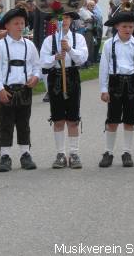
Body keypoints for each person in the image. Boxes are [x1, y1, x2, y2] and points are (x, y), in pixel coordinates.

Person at [0, 7, 41, 172]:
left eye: (22, 23)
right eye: (16, 23)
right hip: (7, 90)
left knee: (23, 122)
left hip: (24, 89)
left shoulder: (29, 45)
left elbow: (36, 66)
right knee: (6, 123)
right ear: (7, 26)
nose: (20, 26)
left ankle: (25, 153)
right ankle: (4, 155)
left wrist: (35, 77)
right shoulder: (0, 46)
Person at [99, 11, 134, 168]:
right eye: (124, 26)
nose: (128, 29)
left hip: (132, 83)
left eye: (131, 26)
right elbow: (104, 67)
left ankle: (127, 152)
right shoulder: (109, 44)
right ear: (117, 26)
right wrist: (103, 88)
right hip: (115, 83)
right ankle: (108, 152)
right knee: (112, 119)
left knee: (130, 119)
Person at [40, 12, 88, 168]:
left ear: (71, 20)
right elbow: (43, 62)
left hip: (72, 76)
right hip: (56, 77)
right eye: (60, 18)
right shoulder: (49, 40)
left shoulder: (78, 38)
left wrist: (69, 50)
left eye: (67, 18)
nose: (64, 21)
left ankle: (74, 153)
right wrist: (55, 57)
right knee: (58, 118)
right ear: (54, 21)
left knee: (73, 118)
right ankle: (60, 153)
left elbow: (82, 58)